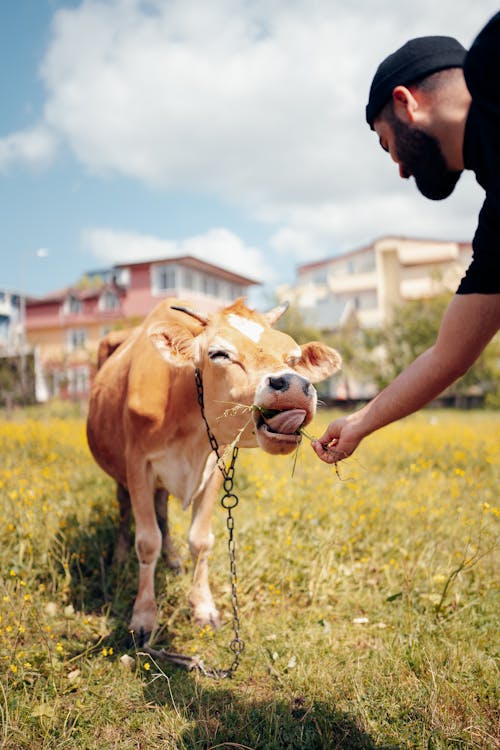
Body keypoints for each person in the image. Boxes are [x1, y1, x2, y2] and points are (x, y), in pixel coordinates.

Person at [312, 12, 500, 465]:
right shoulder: (498, 225)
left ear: (405, 103)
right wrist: (360, 423)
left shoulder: (491, 66)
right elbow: (448, 356)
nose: (399, 168)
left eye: (387, 143)